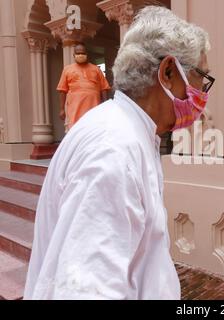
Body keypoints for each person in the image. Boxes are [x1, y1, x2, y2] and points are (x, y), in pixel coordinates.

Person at [24, 6, 213, 300]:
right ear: (167, 72)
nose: (203, 92)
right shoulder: (113, 150)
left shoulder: (129, 132)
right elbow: (85, 291)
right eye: (202, 76)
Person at [57, 43, 111, 132]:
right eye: (78, 53)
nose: (80, 55)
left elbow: (104, 88)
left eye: (82, 53)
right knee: (75, 130)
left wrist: (105, 105)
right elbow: (62, 90)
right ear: (74, 55)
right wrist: (62, 109)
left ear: (86, 54)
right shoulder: (67, 69)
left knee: (93, 130)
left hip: (93, 107)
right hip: (75, 108)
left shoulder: (96, 69)